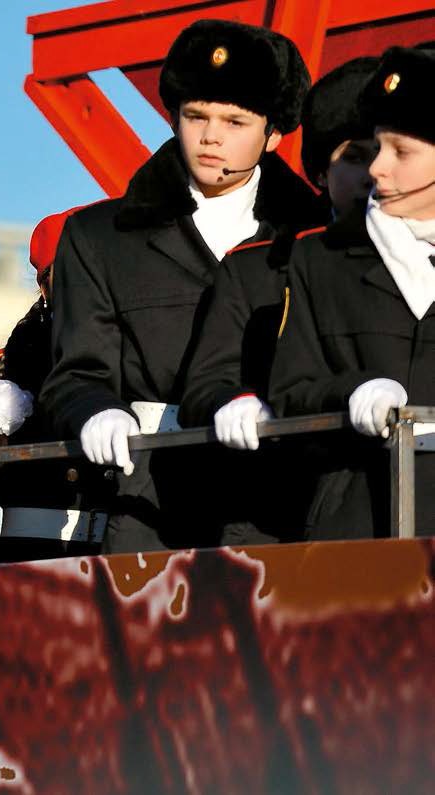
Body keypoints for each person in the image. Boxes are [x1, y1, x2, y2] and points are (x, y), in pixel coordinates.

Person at [39, 19, 323, 553]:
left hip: (286, 503)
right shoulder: (101, 237)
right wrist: (96, 410)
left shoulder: (315, 237)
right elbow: (75, 372)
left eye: (234, 121)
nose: (211, 136)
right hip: (152, 503)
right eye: (196, 116)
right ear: (174, 117)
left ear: (274, 134)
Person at [179, 57, 377, 545]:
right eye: (356, 156)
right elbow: (205, 384)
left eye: (391, 152)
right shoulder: (257, 268)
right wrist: (232, 401)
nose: (375, 173)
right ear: (321, 170)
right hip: (278, 517)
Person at [269, 45, 435, 538]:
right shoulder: (321, 259)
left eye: (401, 152)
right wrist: (354, 391)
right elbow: (289, 391)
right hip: (356, 525)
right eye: (377, 148)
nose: (377, 169)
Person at [0, 208, 110, 563]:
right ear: (44, 286)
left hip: (119, 561)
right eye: (73, 272)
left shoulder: (135, 363)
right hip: (29, 562)